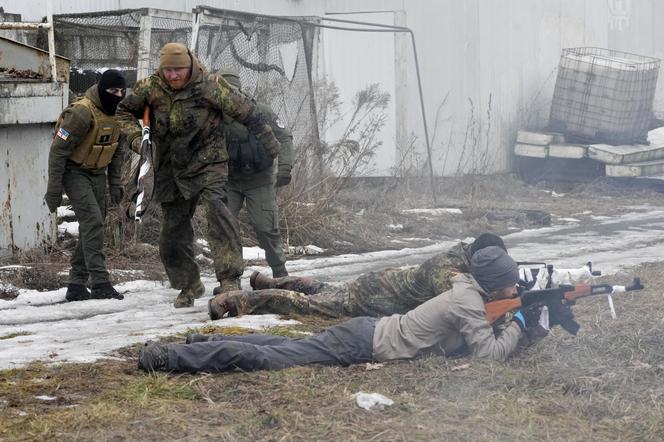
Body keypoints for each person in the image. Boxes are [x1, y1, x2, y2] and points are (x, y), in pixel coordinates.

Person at [138, 246, 546, 373]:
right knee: (268, 357)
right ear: (493, 283)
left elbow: (472, 335)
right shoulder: (467, 300)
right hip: (362, 343)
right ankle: (170, 356)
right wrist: (522, 323)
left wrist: (521, 311)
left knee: (280, 345)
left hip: (367, 332)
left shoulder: (470, 291)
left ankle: (201, 341)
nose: (514, 287)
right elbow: (489, 352)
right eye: (510, 282)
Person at [115, 43, 281, 308]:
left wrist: (270, 144)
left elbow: (248, 113)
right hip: (170, 167)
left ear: (190, 66)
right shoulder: (150, 87)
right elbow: (123, 112)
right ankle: (188, 284)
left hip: (208, 162)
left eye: (178, 69)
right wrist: (137, 138)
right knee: (172, 231)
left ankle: (229, 278)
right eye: (168, 70)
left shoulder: (210, 86)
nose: (173, 76)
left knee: (217, 210)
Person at [207, 233, 506, 320]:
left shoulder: (461, 255)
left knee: (321, 289)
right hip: (373, 297)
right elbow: (463, 308)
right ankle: (234, 300)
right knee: (306, 304)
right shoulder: (450, 271)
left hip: (378, 285)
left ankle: (265, 281)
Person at [43, 69, 127, 301]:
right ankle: (100, 282)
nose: (118, 95)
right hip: (74, 172)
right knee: (93, 222)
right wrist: (54, 189)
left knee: (93, 226)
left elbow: (117, 150)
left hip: (97, 173)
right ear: (102, 89)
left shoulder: (118, 114)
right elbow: (58, 151)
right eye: (113, 91)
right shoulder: (81, 113)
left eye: (122, 91)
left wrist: (116, 182)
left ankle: (76, 284)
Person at [218, 71, 293, 281]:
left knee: (264, 226)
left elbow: (285, 138)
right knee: (224, 228)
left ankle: (280, 271)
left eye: (233, 92)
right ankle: (230, 280)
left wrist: (285, 167)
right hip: (229, 180)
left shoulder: (260, 112)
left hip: (259, 179)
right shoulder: (214, 117)